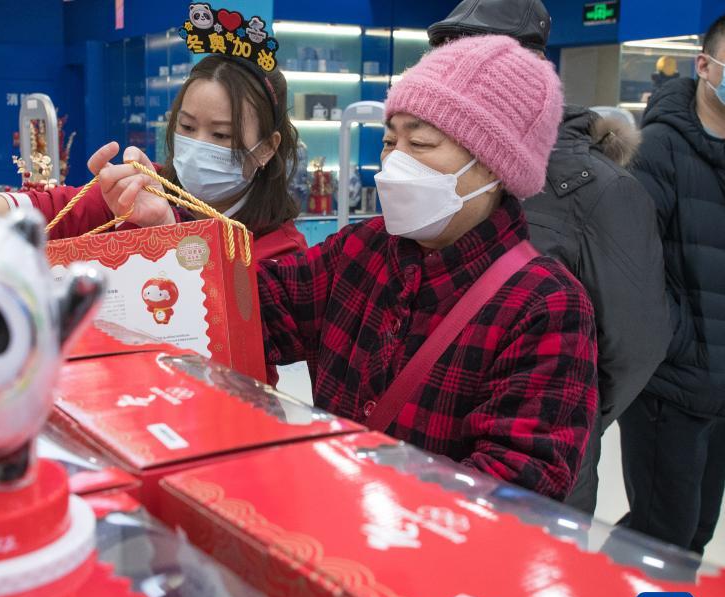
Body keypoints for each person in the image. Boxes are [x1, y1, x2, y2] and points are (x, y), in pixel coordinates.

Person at [259, 35, 597, 501]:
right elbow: (261, 307)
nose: (395, 163)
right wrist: (165, 239)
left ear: (496, 169)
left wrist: (379, 504)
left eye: (420, 142)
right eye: (389, 141)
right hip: (331, 524)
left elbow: (520, 481)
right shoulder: (363, 247)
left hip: (430, 555)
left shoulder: (546, 305)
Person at [427, 0, 672, 514]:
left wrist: (560, 411)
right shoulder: (440, 165)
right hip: (430, 443)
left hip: (539, 463)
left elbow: (635, 343)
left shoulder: (601, 190)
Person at [0, 55, 306, 267]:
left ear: (265, 149)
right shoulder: (142, 188)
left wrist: (169, 230)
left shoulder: (284, 250)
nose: (197, 144)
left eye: (220, 135)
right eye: (187, 126)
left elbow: (235, 331)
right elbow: (44, 208)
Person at [617, 13, 725, 555]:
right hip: (672, 388)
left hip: (720, 388)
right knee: (662, 537)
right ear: (704, 65)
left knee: (698, 532)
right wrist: (679, 347)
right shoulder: (657, 148)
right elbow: (632, 270)